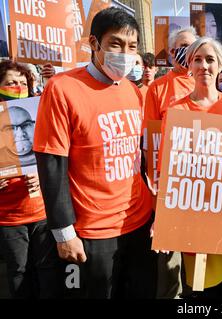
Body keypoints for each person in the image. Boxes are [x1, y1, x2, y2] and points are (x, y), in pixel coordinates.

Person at [33, 7, 157, 299]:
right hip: (92, 233)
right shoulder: (62, 88)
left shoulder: (132, 91)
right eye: (115, 44)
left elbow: (137, 156)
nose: (125, 54)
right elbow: (51, 163)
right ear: (94, 43)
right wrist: (63, 233)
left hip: (138, 223)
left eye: (132, 46)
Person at [159, 36, 222, 298]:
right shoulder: (176, 110)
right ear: (189, 67)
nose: (204, 65)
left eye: (210, 59)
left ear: (220, 65)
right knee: (202, 289)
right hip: (197, 223)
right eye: (197, 59)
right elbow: (168, 167)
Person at [0, 60, 64, 299]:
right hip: (9, 216)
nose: (17, 86)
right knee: (19, 271)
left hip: (41, 211)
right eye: (11, 83)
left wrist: (42, 176)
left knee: (48, 270)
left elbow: (56, 154)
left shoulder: (41, 112)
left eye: (22, 82)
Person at [143, 26, 198, 299]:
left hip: (202, 183)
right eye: (179, 47)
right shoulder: (157, 88)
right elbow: (150, 140)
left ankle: (197, 296)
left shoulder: (206, 83)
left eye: (190, 46)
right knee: (168, 259)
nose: (185, 52)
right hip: (169, 184)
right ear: (171, 52)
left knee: (200, 253)